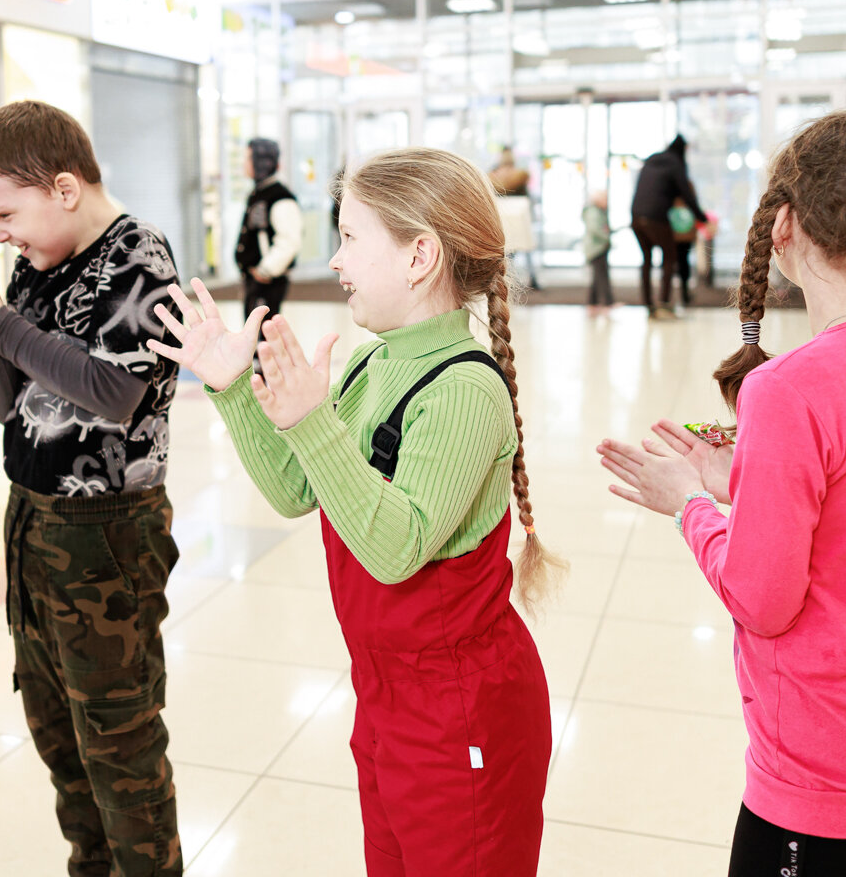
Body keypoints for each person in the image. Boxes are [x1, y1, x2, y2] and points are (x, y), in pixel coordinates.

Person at [151, 147, 559, 876]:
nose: (334, 261)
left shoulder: (464, 390)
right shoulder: (375, 360)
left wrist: (313, 421)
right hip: (385, 697)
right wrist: (234, 387)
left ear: (419, 257)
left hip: (461, 712)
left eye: (348, 237)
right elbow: (297, 489)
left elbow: (396, 547)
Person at [597, 109, 846, 877]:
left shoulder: (787, 389)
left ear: (785, 223)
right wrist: (747, 477)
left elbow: (762, 600)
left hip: (820, 770)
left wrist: (690, 504)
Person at [0, 100, 184, 877]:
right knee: (55, 728)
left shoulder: (137, 253)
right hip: (34, 519)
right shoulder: (37, 263)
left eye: (6, 213)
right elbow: (11, 405)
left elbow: (114, 393)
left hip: (107, 532)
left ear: (64, 188)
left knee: (118, 737)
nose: (0, 234)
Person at [234, 137, 301, 366]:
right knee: (254, 328)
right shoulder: (260, 193)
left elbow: (289, 241)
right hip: (256, 280)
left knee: (264, 330)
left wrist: (266, 269)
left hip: (267, 281)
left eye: (247, 158)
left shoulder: (280, 197)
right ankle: (259, 370)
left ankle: (265, 373)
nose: (244, 163)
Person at [630, 135, 704, 319]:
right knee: (670, 257)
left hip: (636, 216)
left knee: (647, 259)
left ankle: (648, 304)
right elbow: (686, 193)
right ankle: (663, 304)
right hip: (656, 217)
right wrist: (702, 218)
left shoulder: (651, 160)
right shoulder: (675, 164)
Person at [582, 189, 613, 307]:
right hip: (596, 248)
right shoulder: (594, 213)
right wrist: (606, 237)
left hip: (597, 247)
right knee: (602, 276)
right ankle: (607, 302)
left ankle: (592, 301)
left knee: (597, 277)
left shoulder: (597, 212)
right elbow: (595, 229)